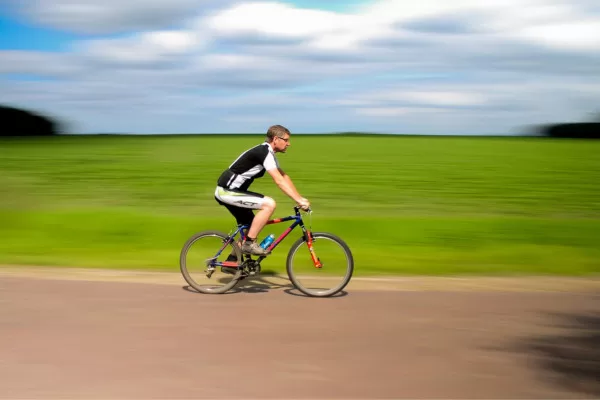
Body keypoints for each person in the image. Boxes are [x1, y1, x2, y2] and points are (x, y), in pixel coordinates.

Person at [214, 124, 311, 256]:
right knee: (269, 204)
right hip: (226, 191)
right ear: (276, 139)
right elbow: (278, 181)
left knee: (251, 227)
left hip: (233, 192)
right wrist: (298, 200)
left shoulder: (268, 153)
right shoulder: (264, 152)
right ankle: (249, 244)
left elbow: (284, 177)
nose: (289, 144)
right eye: (286, 140)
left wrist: (300, 198)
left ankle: (231, 262)